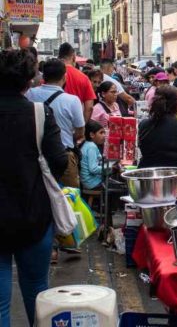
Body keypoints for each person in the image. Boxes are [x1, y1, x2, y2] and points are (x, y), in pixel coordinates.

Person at [0, 49, 68, 327]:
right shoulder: (39, 114)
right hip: (34, 215)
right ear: (30, 81)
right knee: (37, 290)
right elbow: (59, 162)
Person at [26, 58, 85, 188]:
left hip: (35, 157)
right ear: (64, 77)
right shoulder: (72, 100)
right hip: (64, 157)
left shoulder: (29, 94)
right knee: (69, 200)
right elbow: (80, 132)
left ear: (44, 76)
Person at [58, 43, 96, 122]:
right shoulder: (83, 77)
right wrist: (82, 126)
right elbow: (89, 107)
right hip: (75, 124)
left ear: (59, 57)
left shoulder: (50, 75)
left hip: (54, 125)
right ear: (73, 57)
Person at [80, 120, 106, 207]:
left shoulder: (87, 145)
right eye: (101, 133)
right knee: (112, 188)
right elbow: (93, 169)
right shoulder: (91, 147)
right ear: (92, 135)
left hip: (87, 181)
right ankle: (108, 215)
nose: (104, 136)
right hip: (91, 183)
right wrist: (108, 168)